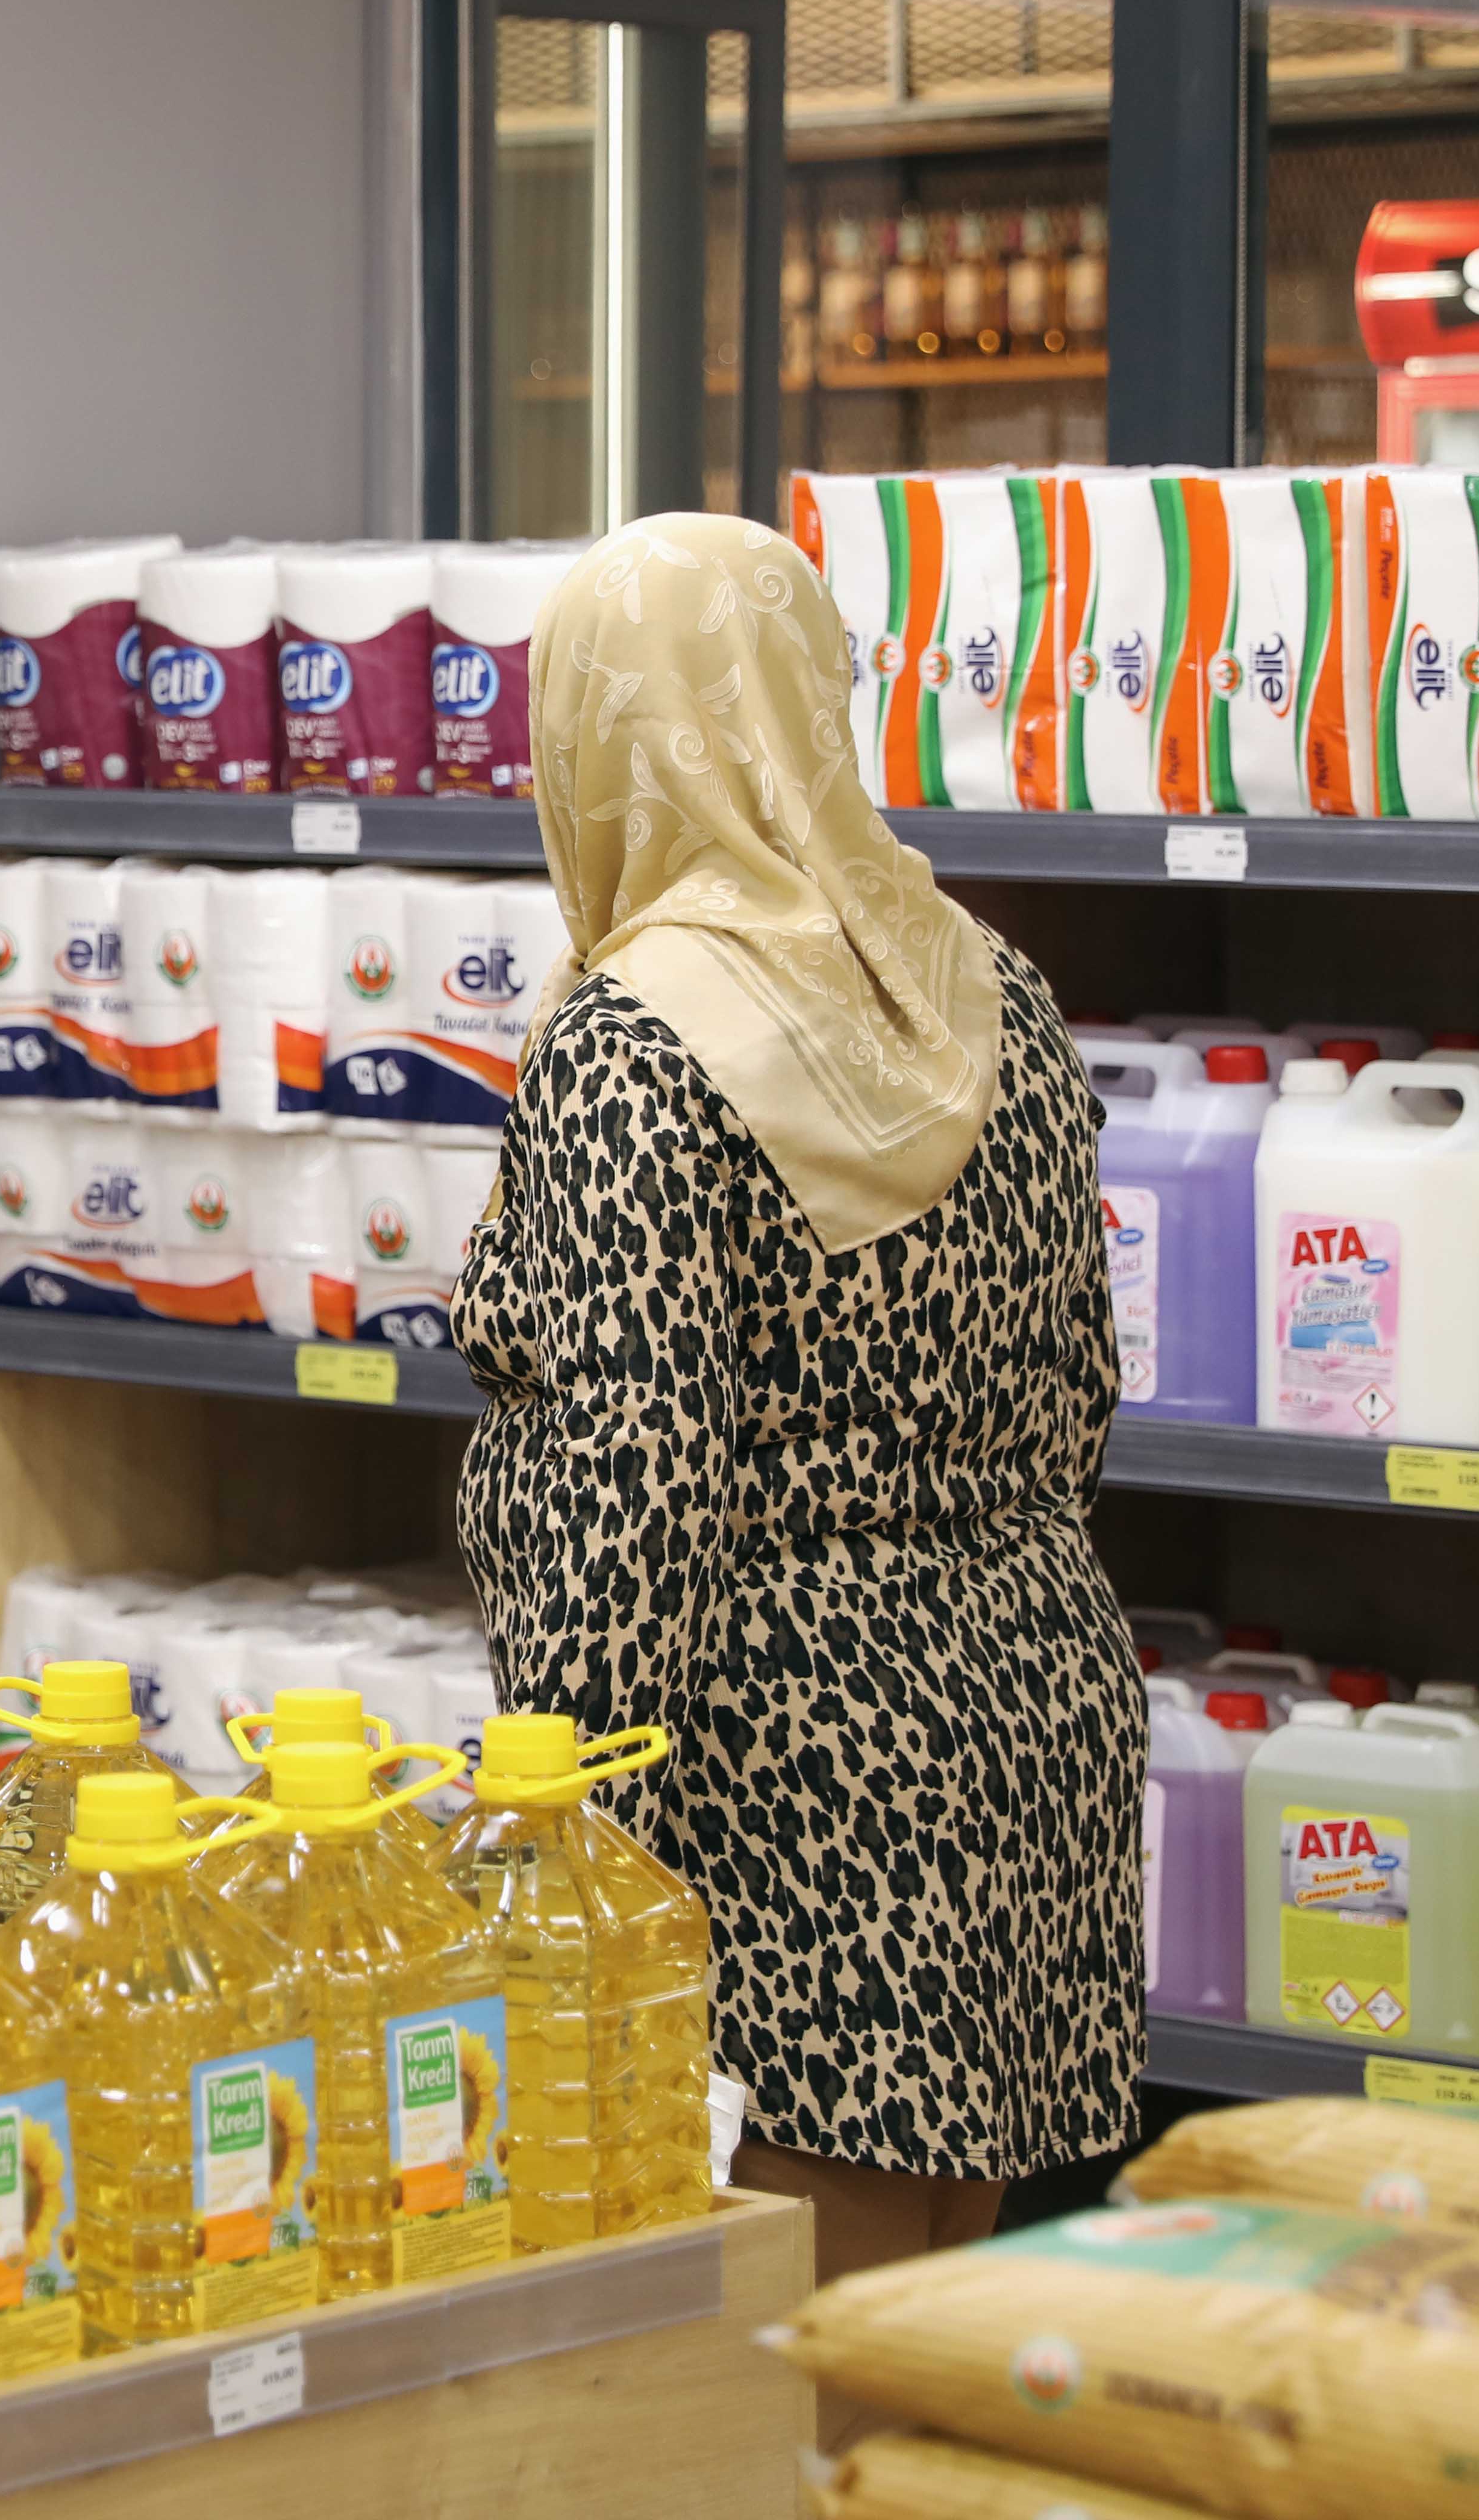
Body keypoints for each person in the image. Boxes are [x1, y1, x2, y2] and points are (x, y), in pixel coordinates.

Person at [451, 513, 1142, 2299]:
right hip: (1033, 1693)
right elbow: (1082, 1384)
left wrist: (550, 1823)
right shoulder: (990, 985)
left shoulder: (632, 1043)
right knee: (934, 2312)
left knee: (775, 2341)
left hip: (787, 1758)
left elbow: (634, 1488)